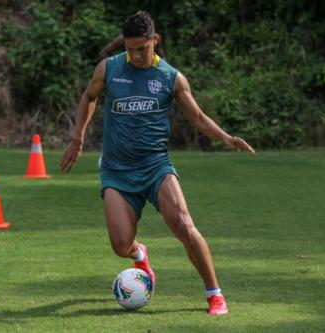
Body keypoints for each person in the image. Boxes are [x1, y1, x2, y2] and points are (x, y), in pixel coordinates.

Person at [60, 11, 255, 316]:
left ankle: (214, 294)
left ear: (155, 41)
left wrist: (227, 138)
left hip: (155, 168)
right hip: (116, 171)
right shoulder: (109, 69)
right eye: (130, 48)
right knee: (120, 245)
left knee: (185, 226)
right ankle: (140, 253)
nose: (136, 55)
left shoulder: (171, 77)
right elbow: (89, 96)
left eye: (142, 48)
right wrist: (77, 137)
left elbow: (199, 118)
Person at [99, 32, 166, 60]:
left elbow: (163, 59)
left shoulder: (155, 38)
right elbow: (103, 53)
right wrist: (115, 68)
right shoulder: (123, 39)